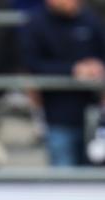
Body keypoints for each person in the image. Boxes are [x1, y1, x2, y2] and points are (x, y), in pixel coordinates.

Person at [19, 0, 105, 166]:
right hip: (57, 116)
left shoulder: (89, 19)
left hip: (92, 114)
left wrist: (97, 66)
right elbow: (32, 64)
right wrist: (72, 69)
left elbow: (101, 53)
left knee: (93, 182)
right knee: (63, 182)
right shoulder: (36, 24)